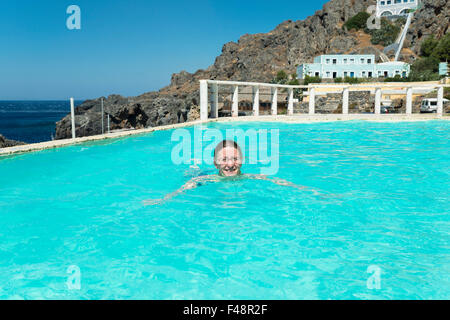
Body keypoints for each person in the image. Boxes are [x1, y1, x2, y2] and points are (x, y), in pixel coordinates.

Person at [143, 140, 316, 206]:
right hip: (205, 173)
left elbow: (277, 181)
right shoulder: (208, 179)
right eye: (224, 160)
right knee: (192, 174)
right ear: (216, 163)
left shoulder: (250, 176)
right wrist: (162, 200)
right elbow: (185, 188)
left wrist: (309, 191)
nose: (231, 164)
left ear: (243, 160)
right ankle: (194, 167)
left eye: (235, 159)